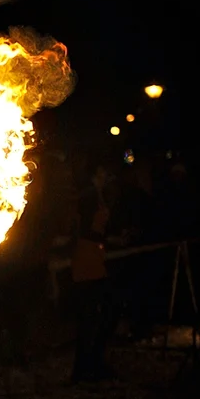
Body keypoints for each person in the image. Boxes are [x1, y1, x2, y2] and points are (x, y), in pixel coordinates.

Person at [69, 162, 117, 382]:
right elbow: (85, 231)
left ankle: (93, 363)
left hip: (94, 258)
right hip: (86, 258)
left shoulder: (97, 195)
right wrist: (106, 240)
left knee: (99, 314)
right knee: (90, 315)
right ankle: (85, 367)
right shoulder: (88, 197)